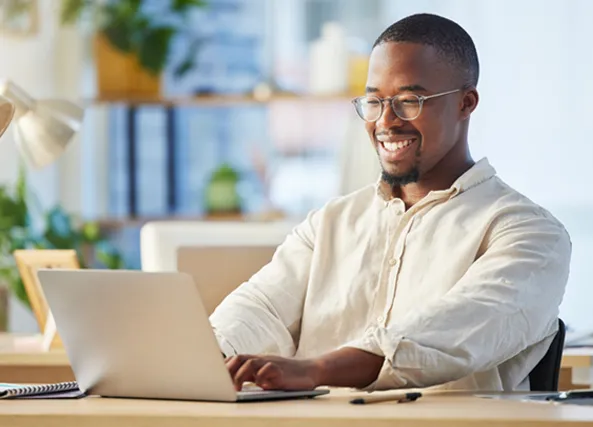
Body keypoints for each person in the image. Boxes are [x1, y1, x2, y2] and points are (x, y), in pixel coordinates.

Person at [210, 13, 571, 392]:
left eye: (409, 100)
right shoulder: (331, 221)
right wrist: (211, 354)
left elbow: (450, 332)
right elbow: (260, 308)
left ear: (466, 103)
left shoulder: (530, 234)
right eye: (374, 101)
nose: (386, 121)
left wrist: (314, 370)